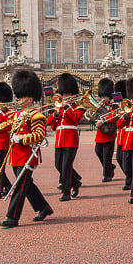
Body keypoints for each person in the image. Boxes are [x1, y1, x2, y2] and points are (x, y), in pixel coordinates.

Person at [0, 70, 53, 228]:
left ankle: (12, 217)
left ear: (30, 98)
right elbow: (4, 125)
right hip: (16, 155)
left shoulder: (35, 115)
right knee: (27, 184)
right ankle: (44, 207)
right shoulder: (17, 115)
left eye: (21, 96)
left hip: (27, 155)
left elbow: (39, 135)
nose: (18, 98)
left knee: (19, 185)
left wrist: (21, 139)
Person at [47, 73, 84, 201]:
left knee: (66, 166)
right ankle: (75, 182)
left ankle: (66, 192)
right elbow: (51, 124)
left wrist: (67, 106)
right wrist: (57, 113)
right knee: (59, 165)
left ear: (72, 94)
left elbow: (75, 119)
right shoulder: (59, 108)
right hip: (59, 140)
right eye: (63, 94)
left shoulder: (78, 107)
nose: (65, 97)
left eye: (68, 94)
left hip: (71, 139)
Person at [93, 78, 118, 182]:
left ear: (109, 96)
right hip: (100, 133)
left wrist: (103, 121)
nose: (103, 98)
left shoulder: (114, 106)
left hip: (109, 133)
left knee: (107, 155)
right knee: (98, 152)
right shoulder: (99, 106)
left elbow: (115, 116)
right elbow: (93, 116)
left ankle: (107, 175)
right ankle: (110, 167)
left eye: (105, 96)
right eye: (102, 96)